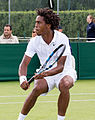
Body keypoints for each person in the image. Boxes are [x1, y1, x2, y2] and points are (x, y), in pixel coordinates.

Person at [17, 8, 77, 120]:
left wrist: (44, 74)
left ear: (48, 25)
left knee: (64, 85)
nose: (36, 26)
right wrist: (23, 79)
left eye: (39, 23)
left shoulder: (62, 39)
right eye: (35, 23)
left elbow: (60, 67)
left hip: (65, 71)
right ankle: (20, 119)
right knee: (37, 88)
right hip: (45, 72)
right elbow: (24, 64)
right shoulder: (34, 41)